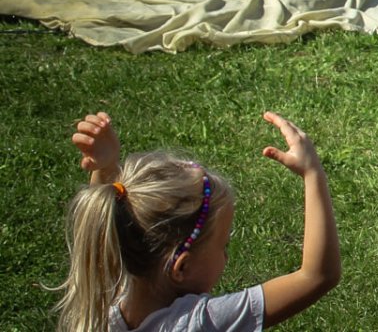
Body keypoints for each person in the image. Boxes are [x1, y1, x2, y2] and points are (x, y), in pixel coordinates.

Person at [56, 111, 340, 332]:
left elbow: (106, 231)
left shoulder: (105, 303)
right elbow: (316, 276)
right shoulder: (200, 322)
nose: (226, 257)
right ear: (182, 266)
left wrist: (104, 170)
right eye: (223, 245)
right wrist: (312, 173)